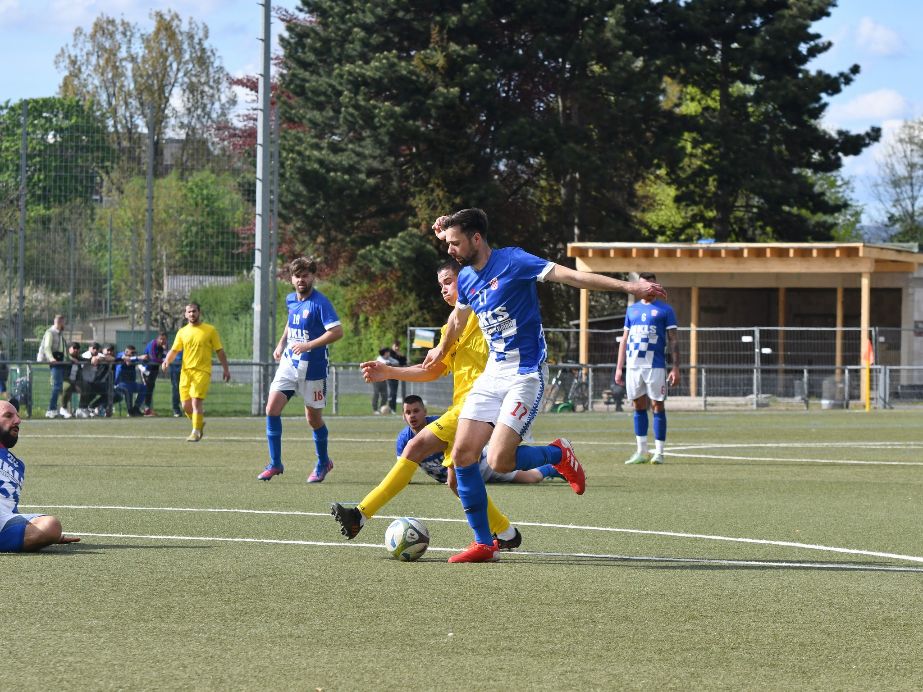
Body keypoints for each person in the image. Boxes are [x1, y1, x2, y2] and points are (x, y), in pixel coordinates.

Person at [422, 208, 666, 562]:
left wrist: (630, 286)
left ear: (476, 238)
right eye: (448, 244)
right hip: (493, 374)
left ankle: (558, 454)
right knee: (462, 457)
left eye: (456, 243)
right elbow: (458, 319)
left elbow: (572, 277)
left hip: (525, 373)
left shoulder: (515, 261)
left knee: (500, 461)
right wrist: (441, 348)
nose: (450, 250)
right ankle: (484, 544)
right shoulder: (468, 279)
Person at [331, 259, 574, 552]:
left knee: (415, 447)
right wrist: (390, 372)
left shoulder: (487, 315)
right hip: (463, 407)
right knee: (456, 483)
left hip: (481, 403)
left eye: (449, 282)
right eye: (440, 286)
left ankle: (360, 514)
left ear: (467, 280)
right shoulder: (451, 326)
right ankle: (506, 533)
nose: (444, 290)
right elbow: (432, 369)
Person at [257, 257, 343, 482]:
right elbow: (291, 320)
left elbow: (337, 332)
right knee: (271, 409)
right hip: (289, 363)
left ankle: (323, 462)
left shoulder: (320, 303)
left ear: (313, 277)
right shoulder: (290, 299)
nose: (301, 280)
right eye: (297, 276)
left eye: (305, 275)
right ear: (291, 279)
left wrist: (308, 345)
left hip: (313, 369)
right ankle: (275, 463)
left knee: (313, 420)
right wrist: (281, 343)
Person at [395, 395, 561, 486]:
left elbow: (459, 448)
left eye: (416, 411)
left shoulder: (439, 425)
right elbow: (404, 475)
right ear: (403, 416)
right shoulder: (404, 440)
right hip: (464, 477)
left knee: (532, 477)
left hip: (479, 464)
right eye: (408, 412)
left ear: (425, 411)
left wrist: (454, 478)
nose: (412, 416)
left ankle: (556, 466)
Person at [615, 272, 680, 465]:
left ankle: (659, 452)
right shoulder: (631, 310)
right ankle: (641, 451)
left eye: (651, 285)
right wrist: (619, 368)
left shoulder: (665, 310)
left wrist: (675, 368)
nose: (647, 289)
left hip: (656, 366)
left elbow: (673, 340)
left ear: (656, 287)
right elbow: (624, 340)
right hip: (634, 367)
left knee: (658, 405)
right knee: (638, 406)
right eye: (644, 285)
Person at [0, 400, 81, 552]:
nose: (17, 420)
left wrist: (40, 534)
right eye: (9, 415)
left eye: (17, 416)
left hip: (4, 519)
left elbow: (9, 509)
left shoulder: (18, 465)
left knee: (51, 525)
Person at [161, 303, 231, 442]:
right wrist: (166, 361)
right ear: (185, 314)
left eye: (194, 311)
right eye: (189, 312)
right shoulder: (182, 332)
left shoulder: (210, 330)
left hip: (202, 371)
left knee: (196, 401)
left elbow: (219, 351)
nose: (192, 314)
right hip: (186, 372)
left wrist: (226, 369)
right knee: (185, 406)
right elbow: (174, 350)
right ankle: (198, 423)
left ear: (199, 312)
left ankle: (196, 432)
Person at [39, 314, 68, 419]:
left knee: (59, 386)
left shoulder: (60, 333)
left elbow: (63, 348)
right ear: (59, 322)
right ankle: (51, 409)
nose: (64, 324)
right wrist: (51, 359)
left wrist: (68, 358)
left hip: (59, 360)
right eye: (63, 322)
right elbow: (47, 347)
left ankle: (56, 409)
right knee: (57, 386)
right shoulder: (50, 332)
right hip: (53, 361)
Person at [114, 344, 148, 417]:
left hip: (131, 383)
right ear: (126, 352)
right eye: (132, 353)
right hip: (120, 384)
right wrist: (138, 357)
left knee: (144, 388)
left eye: (134, 352)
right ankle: (130, 411)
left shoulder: (134, 358)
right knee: (127, 390)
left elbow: (142, 363)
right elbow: (125, 358)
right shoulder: (120, 355)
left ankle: (136, 408)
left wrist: (145, 359)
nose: (133, 354)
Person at [141, 332, 168, 416]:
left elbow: (166, 357)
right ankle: (141, 408)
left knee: (150, 388)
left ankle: (147, 409)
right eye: (161, 339)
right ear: (157, 339)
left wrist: (165, 353)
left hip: (154, 370)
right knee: (145, 389)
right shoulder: (152, 344)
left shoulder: (163, 346)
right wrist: (164, 361)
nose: (162, 341)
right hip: (146, 370)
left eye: (164, 339)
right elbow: (153, 358)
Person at [59, 341, 85, 417]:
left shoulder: (79, 358)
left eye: (78, 348)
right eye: (74, 348)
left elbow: (87, 360)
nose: (76, 350)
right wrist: (71, 359)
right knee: (67, 387)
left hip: (75, 382)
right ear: (69, 349)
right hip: (63, 380)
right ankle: (63, 409)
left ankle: (80, 409)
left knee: (85, 388)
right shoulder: (64, 357)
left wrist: (95, 358)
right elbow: (63, 356)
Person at [371, 347, 397, 414]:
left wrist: (390, 364)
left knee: (385, 395)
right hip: (376, 379)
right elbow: (384, 363)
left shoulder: (389, 358)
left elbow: (396, 362)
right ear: (385, 353)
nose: (389, 353)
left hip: (383, 379)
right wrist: (390, 364)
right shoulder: (379, 358)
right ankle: (375, 410)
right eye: (388, 352)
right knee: (376, 394)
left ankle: (381, 409)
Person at [387, 340, 407, 412]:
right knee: (392, 392)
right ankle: (391, 408)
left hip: (396, 375)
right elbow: (393, 363)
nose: (397, 348)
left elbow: (404, 362)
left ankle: (393, 409)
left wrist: (401, 356)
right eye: (395, 346)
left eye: (398, 346)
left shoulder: (397, 353)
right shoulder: (389, 353)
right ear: (392, 345)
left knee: (394, 392)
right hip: (389, 375)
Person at [169, 351, 183, 417]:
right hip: (176, 369)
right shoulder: (177, 347)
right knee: (176, 389)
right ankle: (176, 410)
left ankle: (192, 408)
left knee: (191, 389)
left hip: (187, 369)